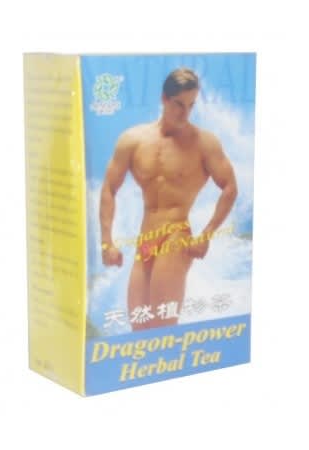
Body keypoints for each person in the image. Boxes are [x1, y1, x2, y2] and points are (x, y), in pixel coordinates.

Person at [99, 68, 237, 331]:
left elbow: (230, 187)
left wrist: (206, 235)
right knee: (139, 327)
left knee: (162, 325)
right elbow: (109, 188)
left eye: (191, 105)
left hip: (176, 236)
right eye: (178, 104)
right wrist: (107, 242)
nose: (185, 113)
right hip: (145, 239)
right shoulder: (133, 140)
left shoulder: (204, 143)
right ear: (164, 99)